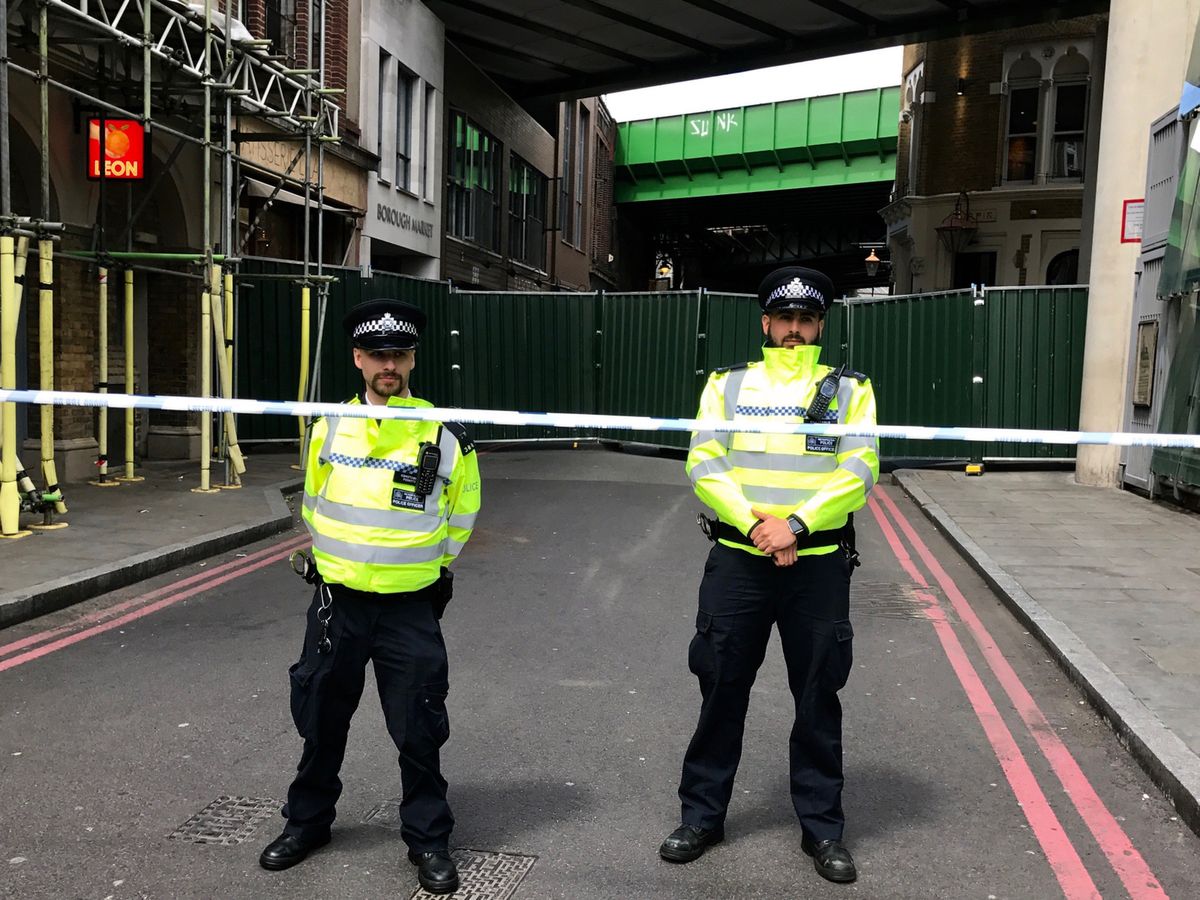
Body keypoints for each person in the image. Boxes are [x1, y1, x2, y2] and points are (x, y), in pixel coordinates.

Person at [659, 267, 879, 884]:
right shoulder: (727, 386)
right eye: (784, 319)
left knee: (816, 697)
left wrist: (798, 527)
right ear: (766, 322)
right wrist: (758, 525)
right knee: (720, 687)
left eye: (806, 320)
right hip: (739, 560)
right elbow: (705, 461)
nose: (794, 330)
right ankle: (702, 815)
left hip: (817, 564)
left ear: (819, 326)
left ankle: (823, 830)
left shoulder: (850, 390)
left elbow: (860, 468)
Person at [259, 298, 481, 895]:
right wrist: (340, 561)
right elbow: (314, 501)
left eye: (400, 354)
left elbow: (463, 509)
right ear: (358, 359)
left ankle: (429, 840)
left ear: (412, 359)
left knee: (418, 728)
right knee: (322, 719)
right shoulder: (329, 426)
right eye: (379, 355)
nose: (390, 364)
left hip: (410, 606)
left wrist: (428, 565)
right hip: (339, 603)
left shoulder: (443, 429)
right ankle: (307, 824)